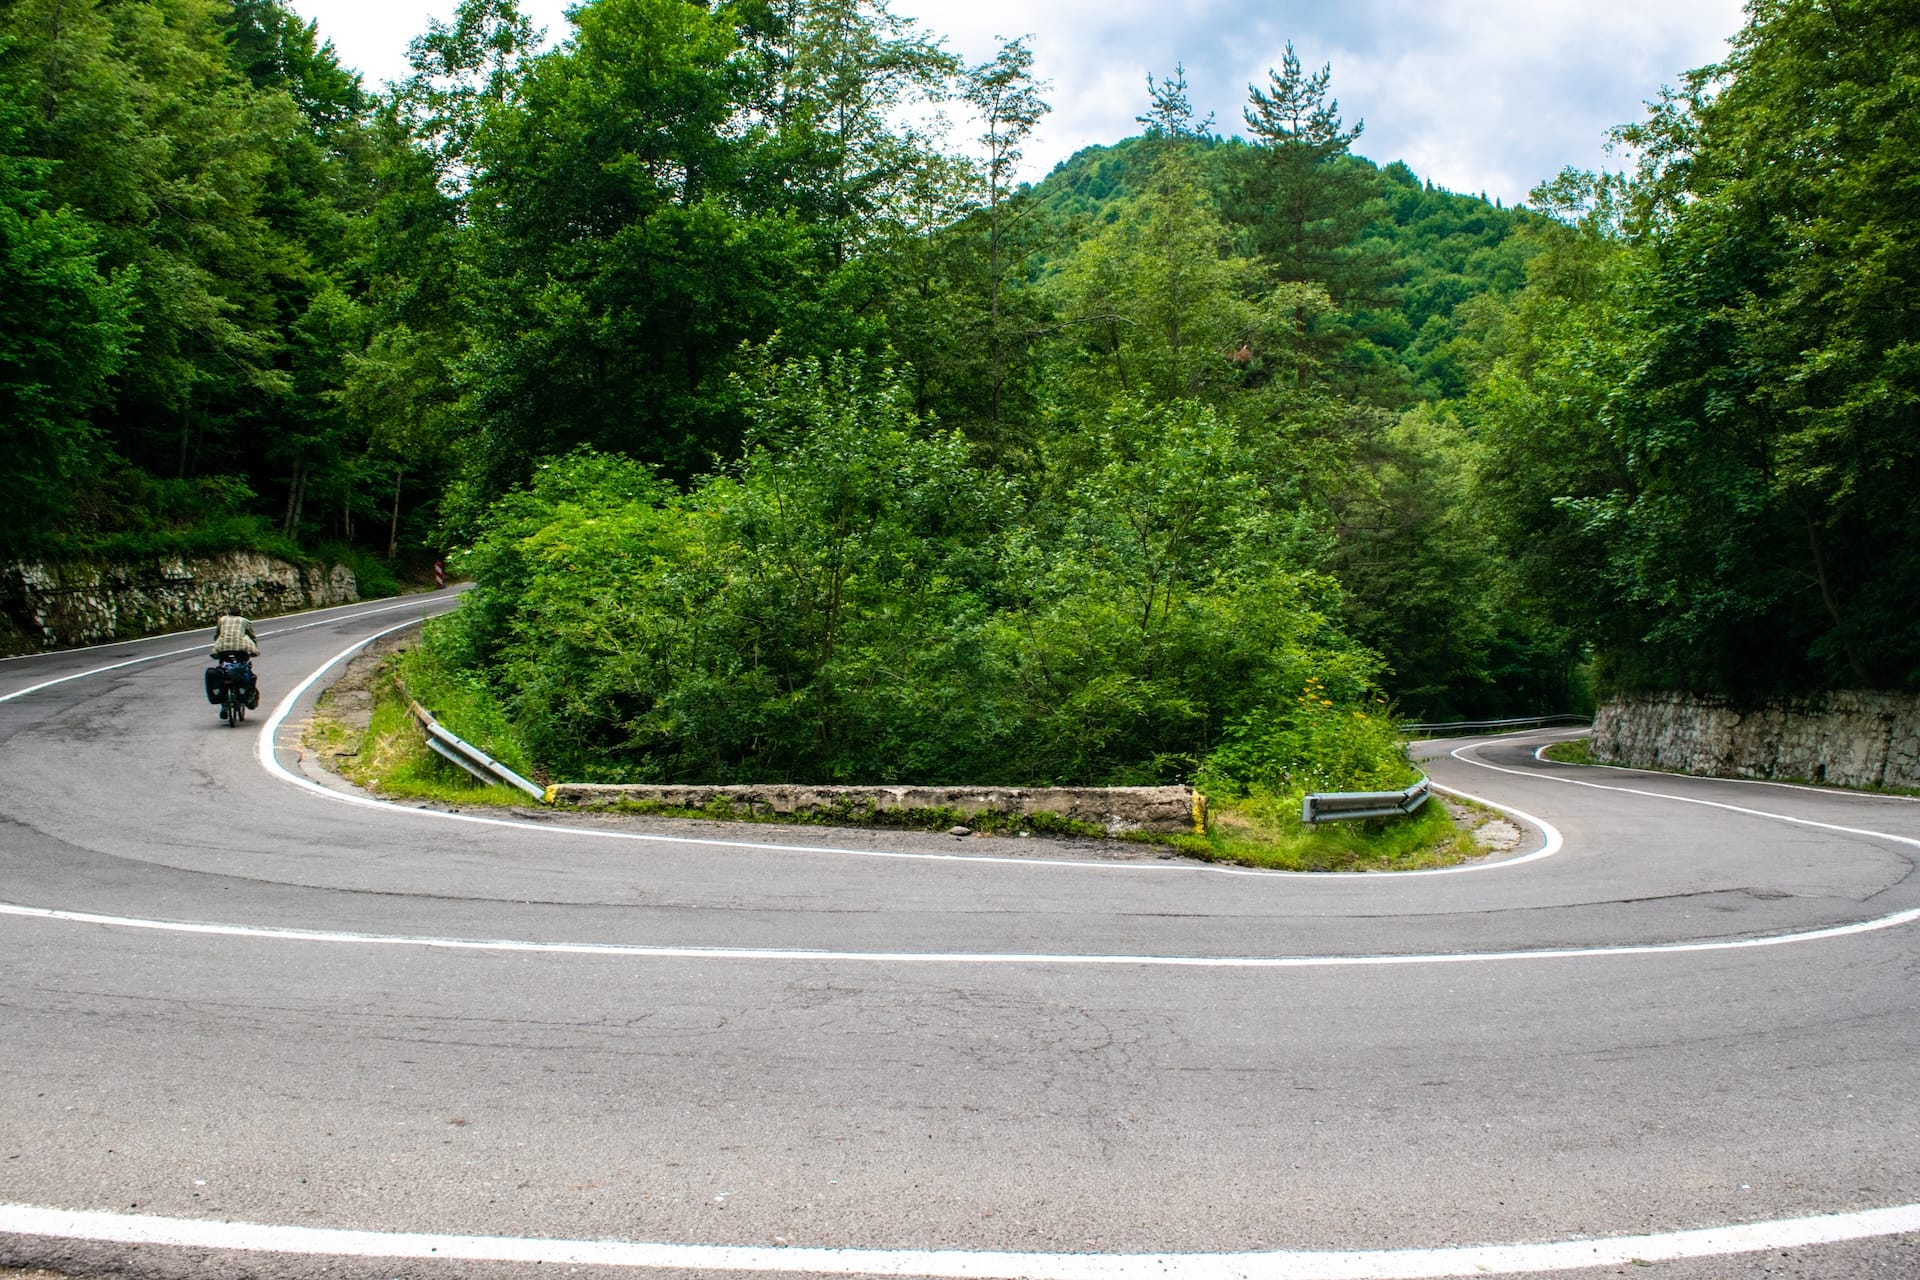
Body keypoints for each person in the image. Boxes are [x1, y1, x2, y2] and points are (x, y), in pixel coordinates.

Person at [207, 611, 260, 719]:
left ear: (228, 614)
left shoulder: (222, 620)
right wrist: (254, 649)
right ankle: (245, 696)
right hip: (241, 652)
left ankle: (224, 706)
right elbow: (252, 636)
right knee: (245, 670)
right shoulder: (244, 621)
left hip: (223, 651)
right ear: (240, 614)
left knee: (223, 672)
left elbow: (217, 635)